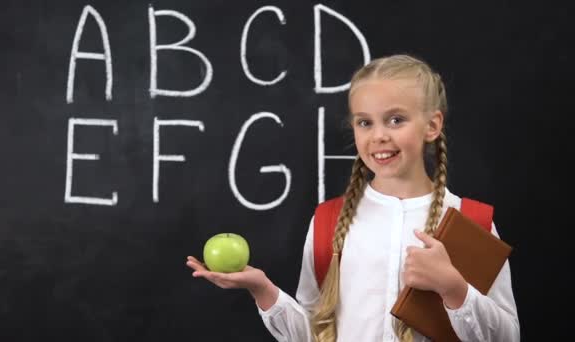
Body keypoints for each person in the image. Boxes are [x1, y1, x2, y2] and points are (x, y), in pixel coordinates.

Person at [186, 54, 519, 342]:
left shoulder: (471, 221)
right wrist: (262, 289)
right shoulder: (329, 221)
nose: (378, 136)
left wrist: (453, 289)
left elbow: (508, 337)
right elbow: (315, 333)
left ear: (432, 125)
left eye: (396, 119)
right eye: (364, 122)